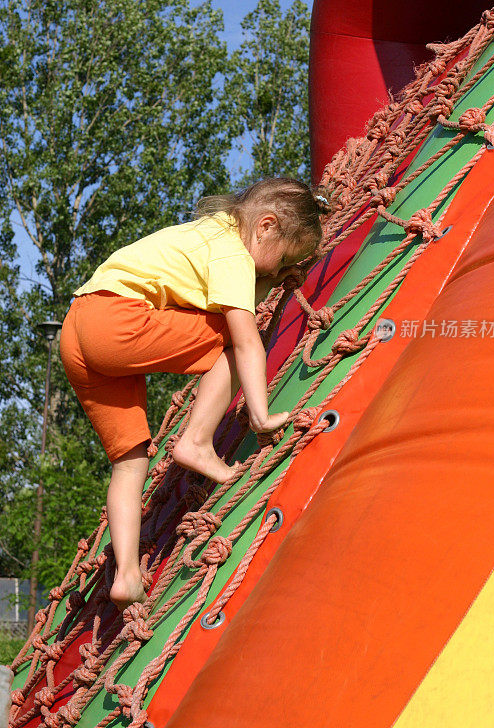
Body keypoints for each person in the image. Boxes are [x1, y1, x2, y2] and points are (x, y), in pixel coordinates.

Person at [60, 177, 328, 610]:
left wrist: (271, 279)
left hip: (78, 330)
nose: (278, 272)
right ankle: (197, 441)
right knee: (236, 334)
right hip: (114, 321)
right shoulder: (231, 253)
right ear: (265, 226)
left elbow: (231, 293)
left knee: (131, 460)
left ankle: (127, 575)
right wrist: (260, 415)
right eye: (283, 260)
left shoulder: (216, 232)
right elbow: (243, 340)